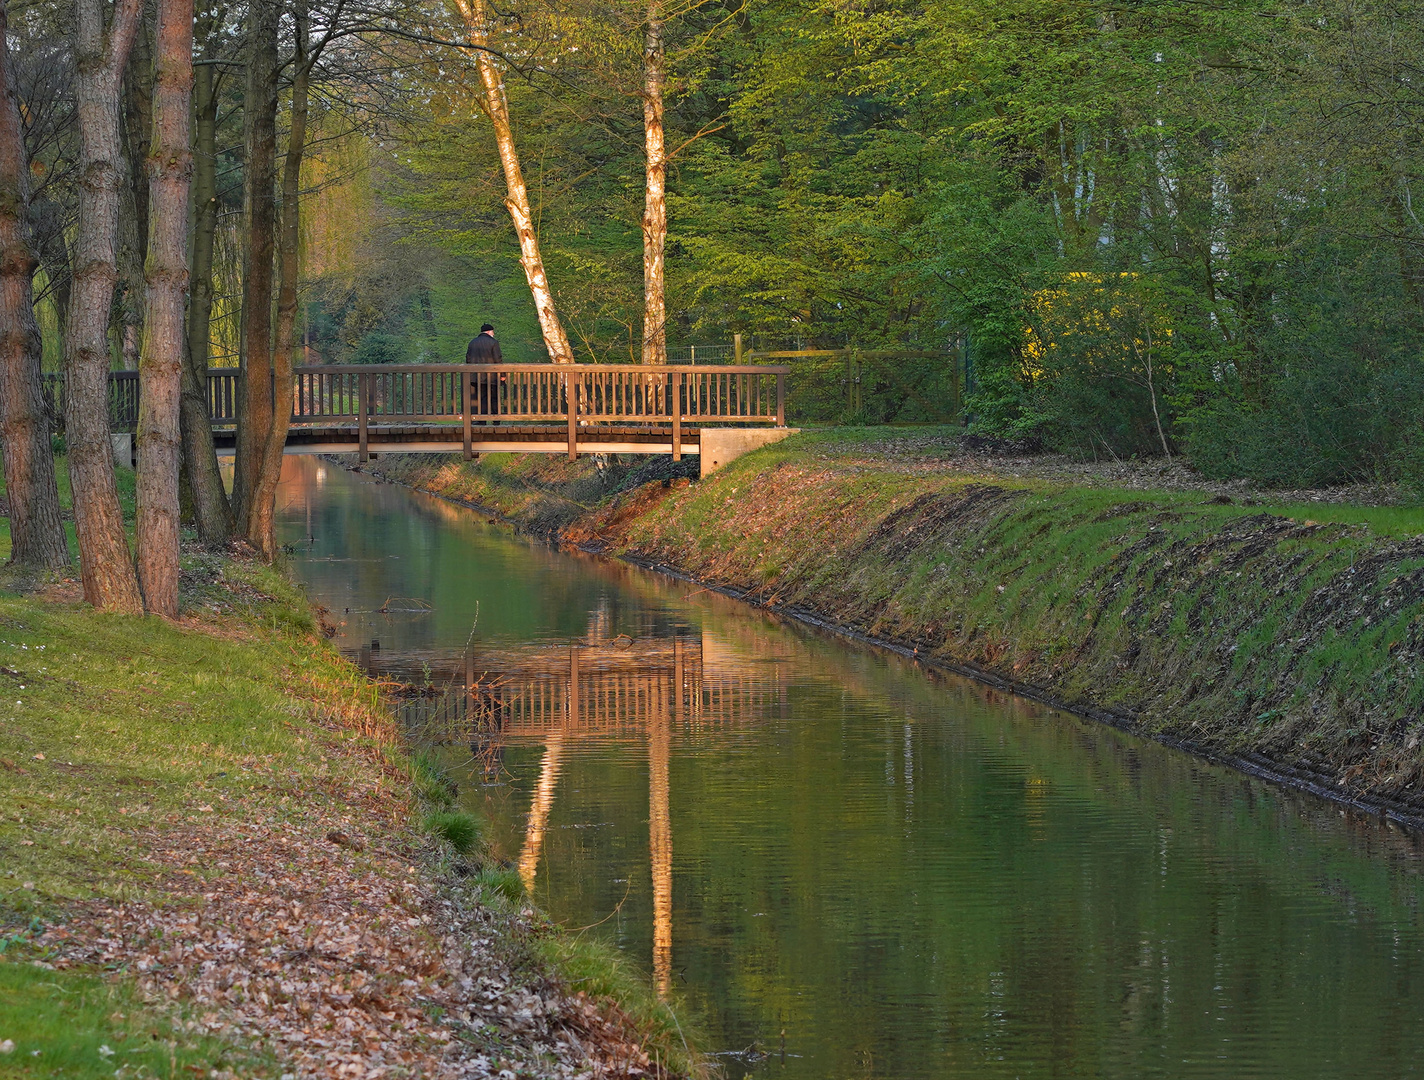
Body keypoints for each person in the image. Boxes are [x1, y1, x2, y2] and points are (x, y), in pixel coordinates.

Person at [465, 324, 503, 422]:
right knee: (494, 397)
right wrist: (502, 375)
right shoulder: (493, 343)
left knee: (480, 398)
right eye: (493, 332)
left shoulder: (472, 343)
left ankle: (481, 420)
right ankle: (496, 420)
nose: (493, 334)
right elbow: (497, 360)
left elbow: (468, 359)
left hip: (476, 376)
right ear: (489, 331)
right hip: (492, 376)